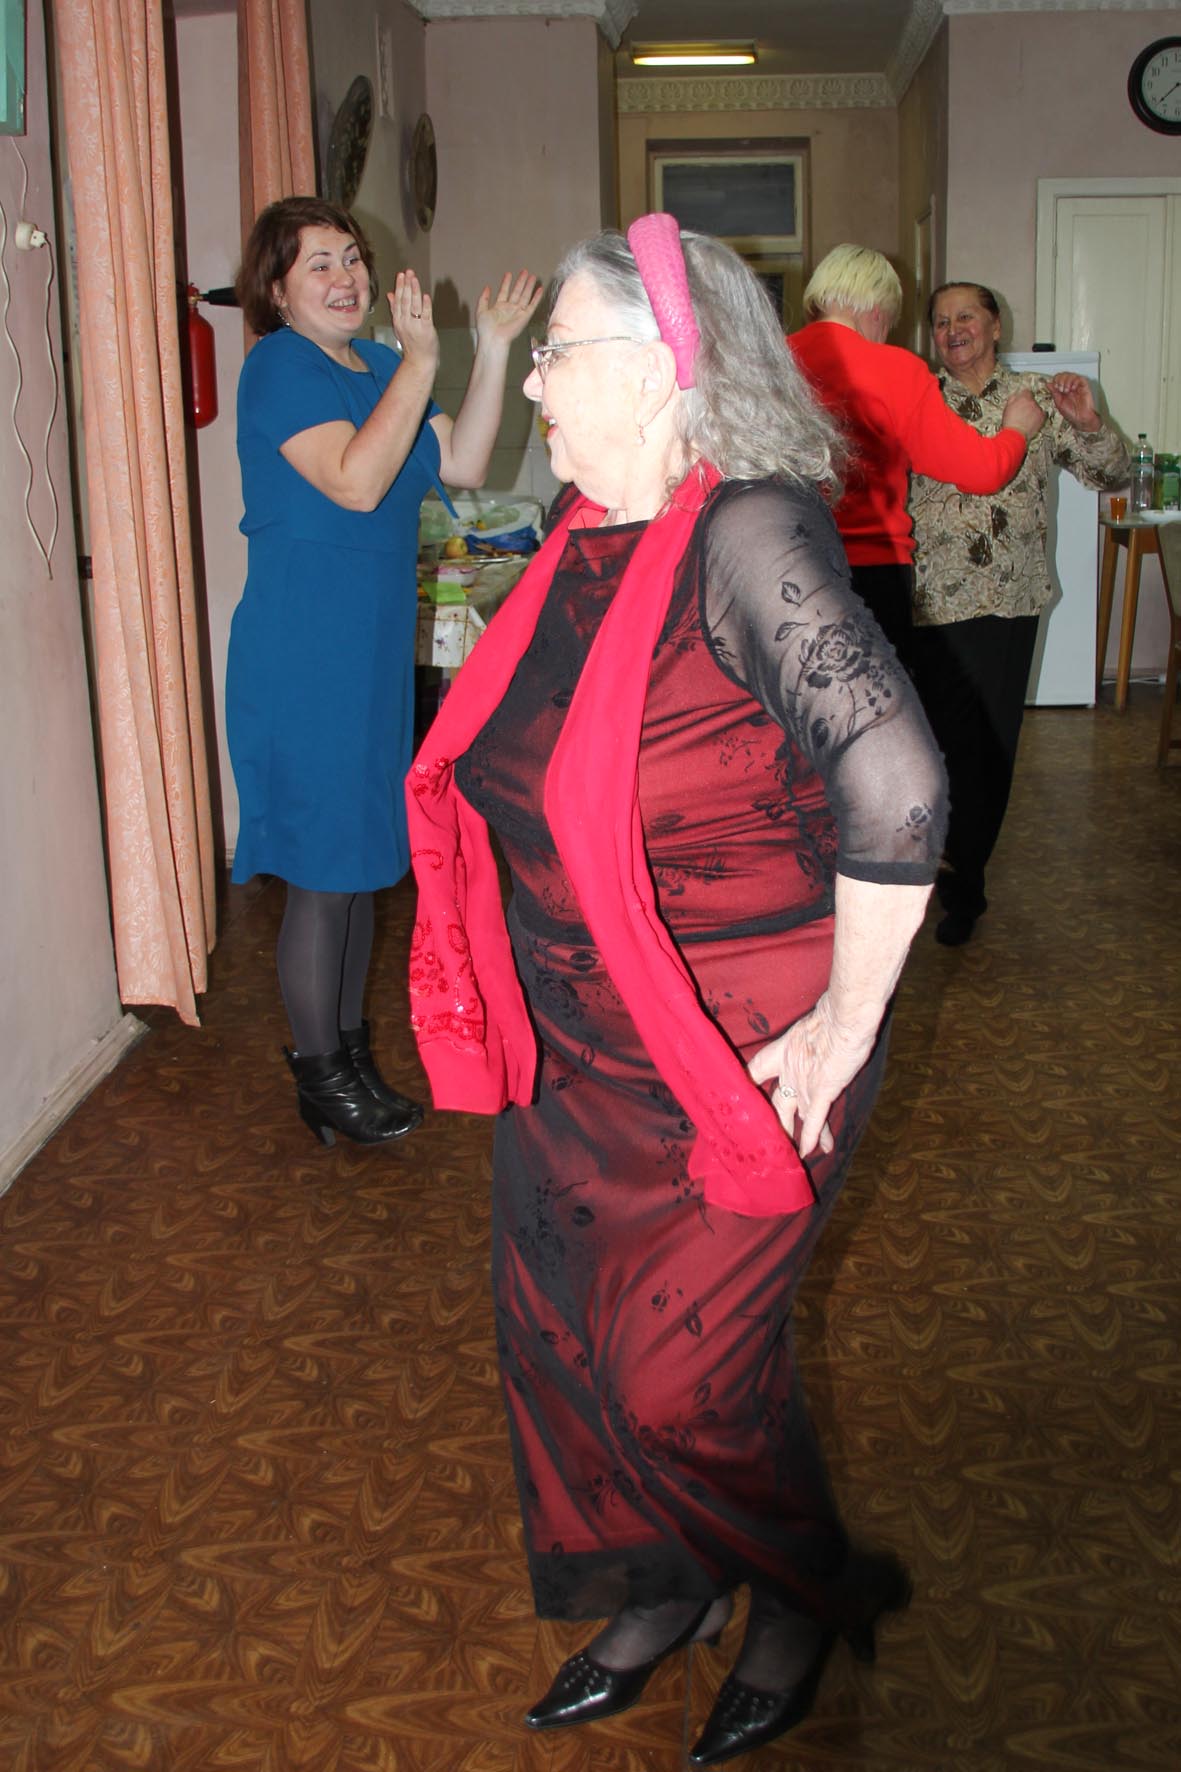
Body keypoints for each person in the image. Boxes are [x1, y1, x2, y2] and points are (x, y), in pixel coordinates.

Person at [406, 214, 949, 1764]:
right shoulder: (575, 538)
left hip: (740, 1047)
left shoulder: (745, 535)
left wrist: (843, 1024)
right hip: (577, 1045)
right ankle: (666, 1586)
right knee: (563, 1344)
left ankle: (800, 1594)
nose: (533, 389)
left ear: (657, 372)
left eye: (553, 356)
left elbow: (900, 784)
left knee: (678, 1382)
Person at [226, 196, 540, 1144]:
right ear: (276, 288)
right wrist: (422, 364)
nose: (345, 277)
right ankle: (320, 1072)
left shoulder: (373, 366)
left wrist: (490, 346)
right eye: (318, 263)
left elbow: (466, 461)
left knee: (361, 864)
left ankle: (349, 1055)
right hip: (303, 654)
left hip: (366, 657)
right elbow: (357, 483)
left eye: (351, 258)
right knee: (324, 873)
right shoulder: (279, 367)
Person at [908, 281, 1129, 945]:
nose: (952, 331)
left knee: (993, 748)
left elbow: (1110, 474)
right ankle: (927, 870)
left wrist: (1087, 423)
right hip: (934, 603)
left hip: (1011, 599)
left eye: (965, 317)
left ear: (995, 326)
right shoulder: (918, 398)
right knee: (938, 748)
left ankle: (964, 882)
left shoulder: (1035, 398)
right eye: (940, 321)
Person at [789, 243, 1045, 661]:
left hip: (785, 563)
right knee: (872, 698)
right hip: (871, 573)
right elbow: (983, 471)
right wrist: (1016, 430)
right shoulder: (895, 368)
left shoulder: (770, 362)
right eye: (888, 323)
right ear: (877, 310)